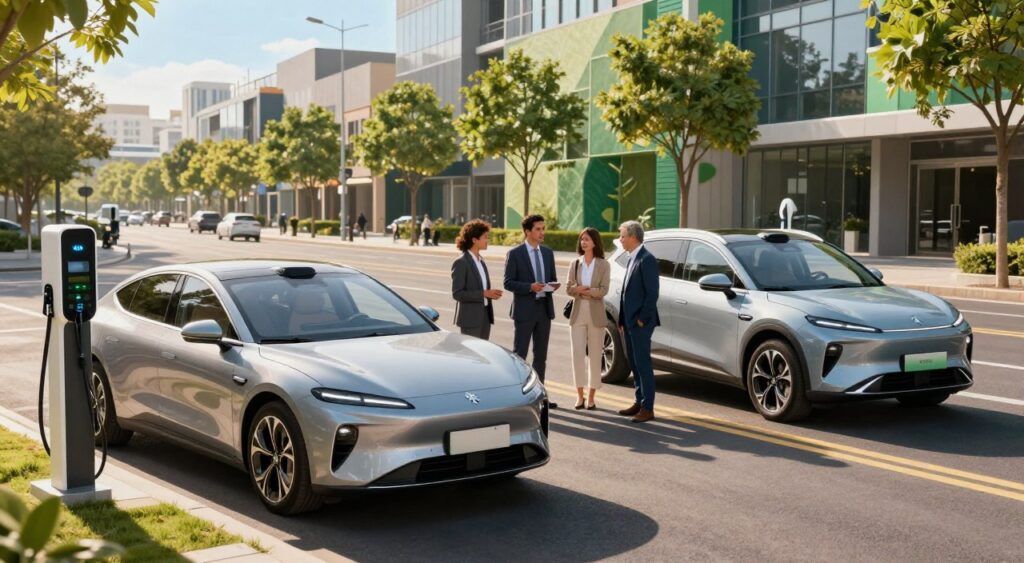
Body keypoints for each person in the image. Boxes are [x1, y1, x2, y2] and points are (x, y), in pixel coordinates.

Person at [504, 214, 560, 409]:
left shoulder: (547, 253)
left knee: (541, 355)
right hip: (524, 311)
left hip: (544, 310)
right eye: (538, 229)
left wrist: (552, 286)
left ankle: (540, 397)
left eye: (543, 228)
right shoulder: (515, 253)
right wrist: (530, 287)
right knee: (520, 355)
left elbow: (551, 278)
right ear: (528, 232)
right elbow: (508, 282)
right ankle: (518, 397)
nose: (542, 232)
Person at [616, 220, 660, 423]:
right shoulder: (632, 257)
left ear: (633, 237)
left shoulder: (646, 259)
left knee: (643, 364)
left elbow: (652, 294)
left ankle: (648, 408)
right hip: (629, 322)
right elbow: (627, 292)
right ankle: (639, 400)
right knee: (633, 362)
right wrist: (623, 319)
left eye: (623, 236)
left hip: (641, 323)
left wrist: (642, 319)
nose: (620, 239)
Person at [566, 227, 610, 410]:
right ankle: (579, 396)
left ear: (595, 242)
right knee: (577, 355)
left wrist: (586, 291)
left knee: (594, 356)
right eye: (582, 239)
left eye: (587, 239)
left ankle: (591, 397)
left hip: (596, 313)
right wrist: (578, 290)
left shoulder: (603, 265)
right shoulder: (575, 263)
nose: (583, 242)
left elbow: (604, 290)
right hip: (577, 313)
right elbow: (569, 288)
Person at [451, 220, 503, 340]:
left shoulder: (481, 261)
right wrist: (484, 294)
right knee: (472, 356)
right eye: (485, 237)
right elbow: (457, 293)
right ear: (474, 240)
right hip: (470, 320)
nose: (487, 240)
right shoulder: (461, 262)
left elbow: (481, 289)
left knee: (483, 355)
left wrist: (490, 294)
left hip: (485, 316)